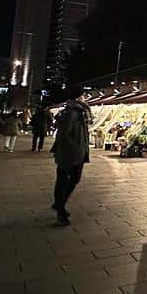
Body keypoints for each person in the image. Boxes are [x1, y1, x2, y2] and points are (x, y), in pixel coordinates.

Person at [51, 88, 91, 225]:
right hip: (69, 153)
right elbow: (64, 135)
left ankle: (59, 204)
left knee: (74, 179)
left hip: (77, 152)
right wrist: (76, 148)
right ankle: (60, 212)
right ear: (79, 97)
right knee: (63, 181)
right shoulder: (72, 113)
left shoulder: (79, 111)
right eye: (84, 95)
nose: (86, 98)